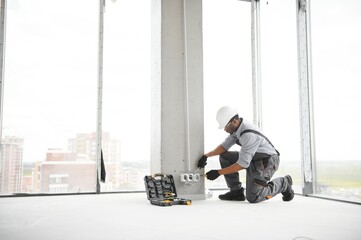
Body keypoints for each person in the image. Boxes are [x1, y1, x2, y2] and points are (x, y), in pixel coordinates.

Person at [198, 106, 294, 203]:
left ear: (234, 121)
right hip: (254, 158)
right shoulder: (237, 129)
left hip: (267, 161)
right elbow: (224, 147)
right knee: (225, 156)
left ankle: (283, 183)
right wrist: (206, 156)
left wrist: (218, 172)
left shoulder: (248, 135)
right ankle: (236, 192)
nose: (225, 130)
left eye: (225, 126)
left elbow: (242, 164)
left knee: (253, 197)